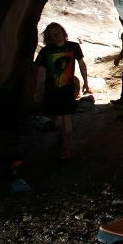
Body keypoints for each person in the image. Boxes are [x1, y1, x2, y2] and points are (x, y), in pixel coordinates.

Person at [34, 22, 90, 159]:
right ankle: (63, 134)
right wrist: (37, 90)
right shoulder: (45, 51)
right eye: (52, 34)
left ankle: (66, 147)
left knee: (66, 120)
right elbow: (41, 72)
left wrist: (86, 83)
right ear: (49, 37)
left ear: (63, 32)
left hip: (67, 90)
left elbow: (82, 64)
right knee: (57, 122)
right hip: (51, 91)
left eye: (57, 32)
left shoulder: (73, 47)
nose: (56, 36)